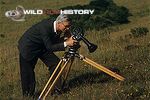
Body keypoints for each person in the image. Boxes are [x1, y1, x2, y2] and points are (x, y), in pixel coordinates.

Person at [18, 14, 77, 97]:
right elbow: (50, 47)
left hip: (42, 46)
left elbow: (52, 42)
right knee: (28, 73)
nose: (68, 29)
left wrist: (66, 39)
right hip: (28, 48)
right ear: (59, 23)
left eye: (69, 26)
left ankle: (56, 90)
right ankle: (28, 96)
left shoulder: (58, 27)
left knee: (55, 63)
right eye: (66, 26)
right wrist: (67, 43)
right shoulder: (44, 28)